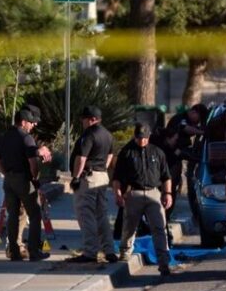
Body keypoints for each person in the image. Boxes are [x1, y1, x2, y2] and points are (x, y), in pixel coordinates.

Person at [112, 122, 174, 276]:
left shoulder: (157, 153)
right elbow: (117, 177)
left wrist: (167, 193)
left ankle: (164, 262)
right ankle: (125, 253)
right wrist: (118, 194)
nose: (142, 141)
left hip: (154, 193)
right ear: (135, 136)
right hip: (134, 193)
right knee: (129, 227)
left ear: (149, 137)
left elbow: (166, 176)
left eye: (145, 138)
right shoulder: (126, 153)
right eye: (139, 138)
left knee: (159, 228)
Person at [0, 109, 50, 261]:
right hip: (24, 179)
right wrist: (35, 178)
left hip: (9, 180)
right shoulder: (26, 138)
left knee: (13, 215)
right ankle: (34, 251)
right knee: (35, 214)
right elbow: (33, 163)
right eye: (31, 122)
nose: (33, 125)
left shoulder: (4, 137)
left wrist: (6, 174)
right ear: (23, 122)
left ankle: (14, 252)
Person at [67, 106, 117, 263]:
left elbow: (81, 158)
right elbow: (110, 155)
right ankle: (109, 250)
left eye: (84, 119)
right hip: (102, 176)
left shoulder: (89, 134)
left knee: (86, 214)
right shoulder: (107, 135)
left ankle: (90, 252)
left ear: (92, 119)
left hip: (88, 178)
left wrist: (76, 177)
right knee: (101, 215)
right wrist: (102, 168)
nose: (82, 122)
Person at [164, 104, 207, 221]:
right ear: (194, 112)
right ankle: (164, 216)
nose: (197, 122)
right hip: (170, 159)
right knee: (170, 187)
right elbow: (185, 128)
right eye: (198, 118)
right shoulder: (181, 119)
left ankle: (166, 216)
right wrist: (201, 132)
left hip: (176, 159)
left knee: (174, 186)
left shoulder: (189, 121)